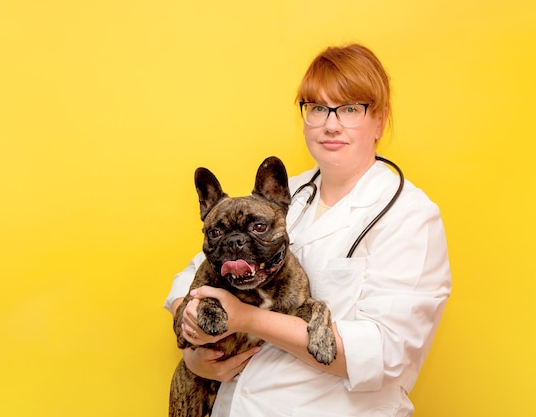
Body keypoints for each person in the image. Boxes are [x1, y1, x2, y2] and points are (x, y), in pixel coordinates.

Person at [164, 43, 451, 416]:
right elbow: (192, 277)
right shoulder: (281, 196)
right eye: (317, 108)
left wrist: (247, 319)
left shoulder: (410, 216)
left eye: (349, 108)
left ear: (378, 120)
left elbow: (383, 355)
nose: (331, 124)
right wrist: (197, 353)